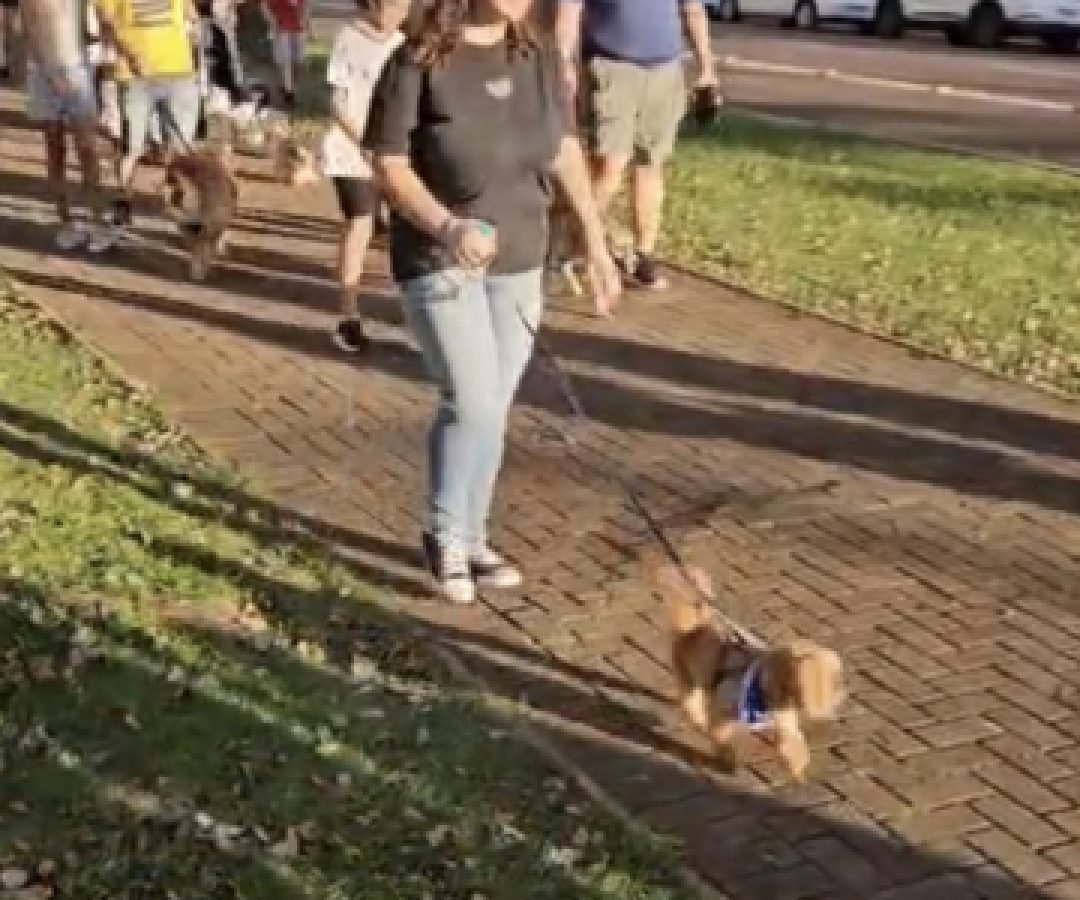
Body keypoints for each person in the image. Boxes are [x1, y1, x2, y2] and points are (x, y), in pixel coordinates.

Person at [365, 0, 621, 605]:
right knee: (473, 399)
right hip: (440, 259)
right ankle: (445, 536)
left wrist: (596, 242)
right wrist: (448, 226)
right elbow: (388, 163)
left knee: (494, 408)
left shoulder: (534, 57)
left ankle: (474, 538)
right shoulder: (418, 59)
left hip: (520, 260)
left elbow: (562, 147)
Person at [556, 0, 717, 291]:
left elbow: (692, 8)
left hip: (665, 71)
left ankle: (643, 256)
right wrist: (564, 64)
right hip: (611, 67)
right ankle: (580, 249)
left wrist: (707, 67)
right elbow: (569, 12)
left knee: (650, 165)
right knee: (609, 165)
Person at [322, 0, 410, 354]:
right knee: (360, 222)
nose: (399, 13)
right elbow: (337, 103)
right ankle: (348, 313)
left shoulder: (405, 41)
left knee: (408, 225)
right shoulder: (348, 38)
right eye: (393, 6)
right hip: (352, 151)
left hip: (396, 152)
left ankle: (414, 307)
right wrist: (366, 142)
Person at [96, 0, 201, 238]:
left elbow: (191, 15)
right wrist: (129, 55)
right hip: (135, 77)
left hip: (178, 72)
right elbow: (107, 24)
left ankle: (183, 208)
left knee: (181, 148)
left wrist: (192, 33)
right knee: (130, 146)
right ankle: (123, 202)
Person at [24, 0, 111, 251]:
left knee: (87, 149)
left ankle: (96, 220)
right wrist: (52, 76)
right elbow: (31, 27)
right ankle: (66, 221)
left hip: (78, 67)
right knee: (55, 149)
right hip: (44, 72)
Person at [263, 0, 304, 107]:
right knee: (287, 62)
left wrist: (306, 23)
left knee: (297, 63)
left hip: (297, 29)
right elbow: (265, 6)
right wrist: (273, 24)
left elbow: (303, 6)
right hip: (281, 30)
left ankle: (286, 87)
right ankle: (289, 94)